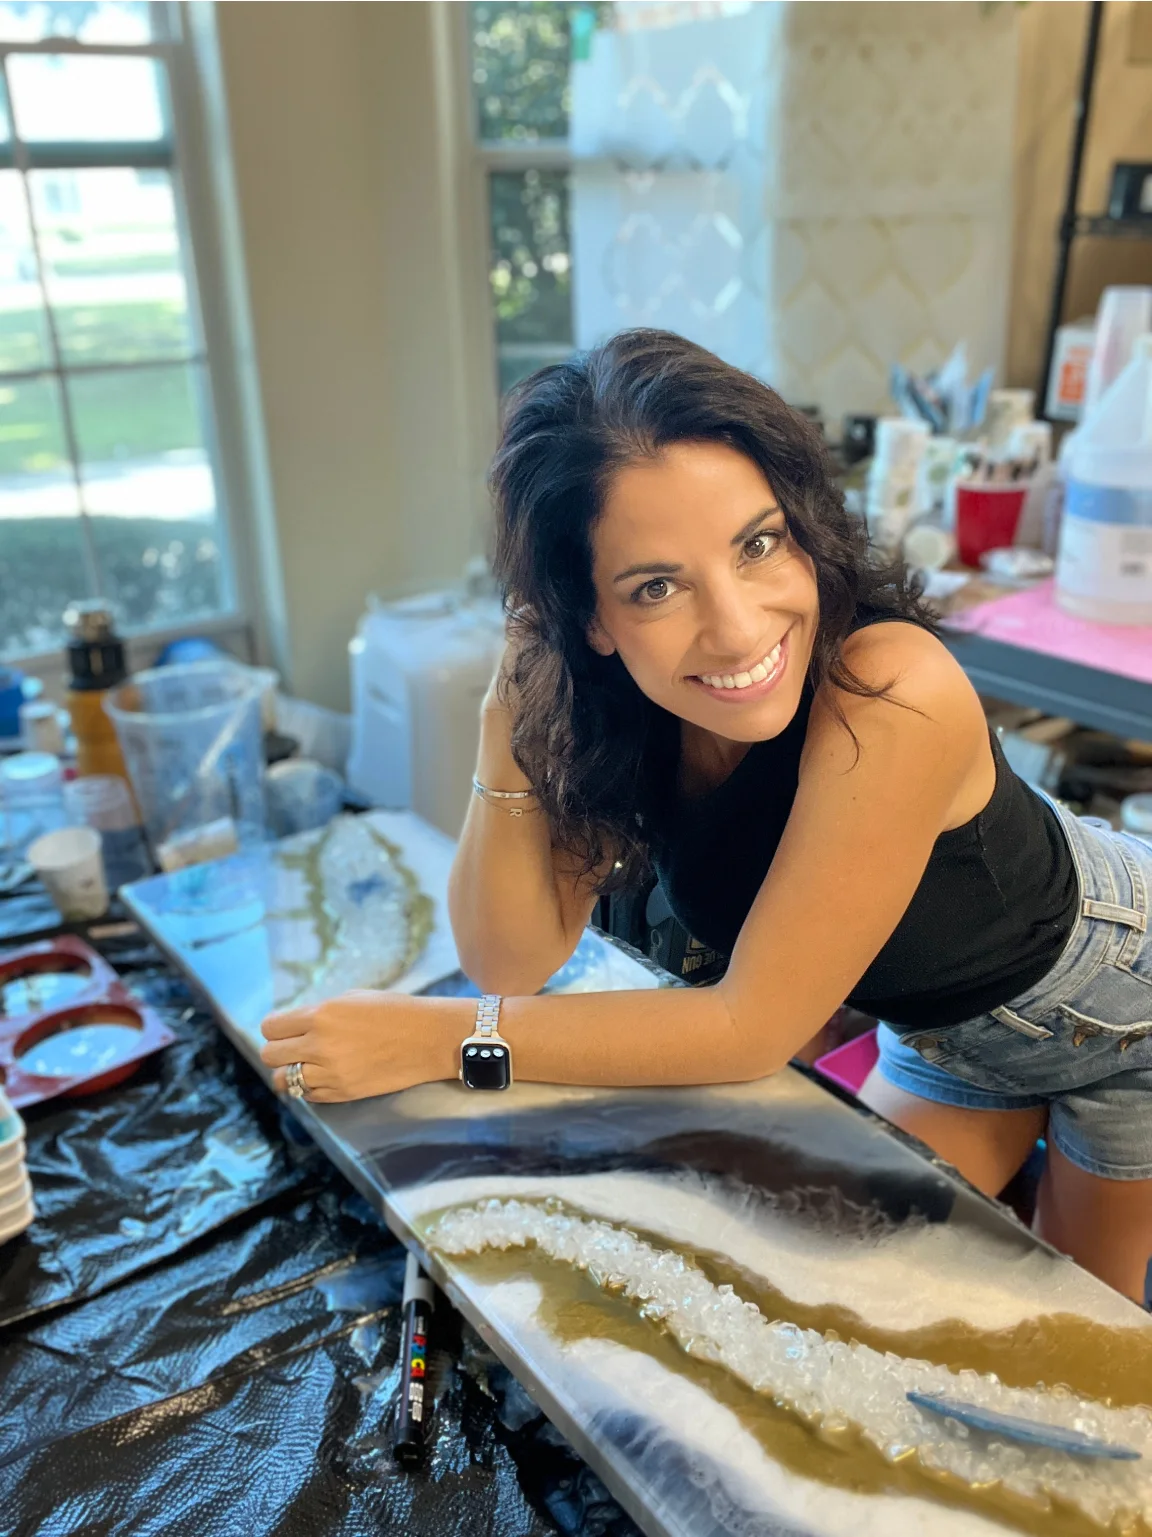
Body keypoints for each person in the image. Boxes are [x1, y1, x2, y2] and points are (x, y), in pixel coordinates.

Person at [262, 330, 1152, 1305]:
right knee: (792, 1266)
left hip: (1117, 1010)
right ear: (587, 617)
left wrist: (440, 1040)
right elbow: (512, 960)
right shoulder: (625, 709)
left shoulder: (891, 687)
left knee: (1077, 1314)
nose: (735, 629)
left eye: (758, 543)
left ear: (804, 523)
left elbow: (747, 1027)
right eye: (655, 586)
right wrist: (505, 714)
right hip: (945, 1031)